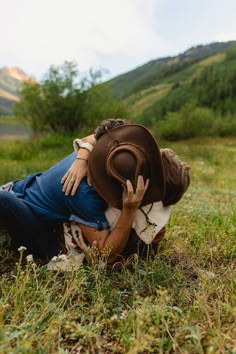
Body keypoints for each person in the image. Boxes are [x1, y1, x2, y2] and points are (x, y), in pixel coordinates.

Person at [0, 121, 165, 264]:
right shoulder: (85, 188)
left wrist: (84, 154)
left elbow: (104, 255)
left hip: (32, 211)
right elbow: (104, 255)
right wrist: (129, 211)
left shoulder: (97, 157)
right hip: (24, 206)